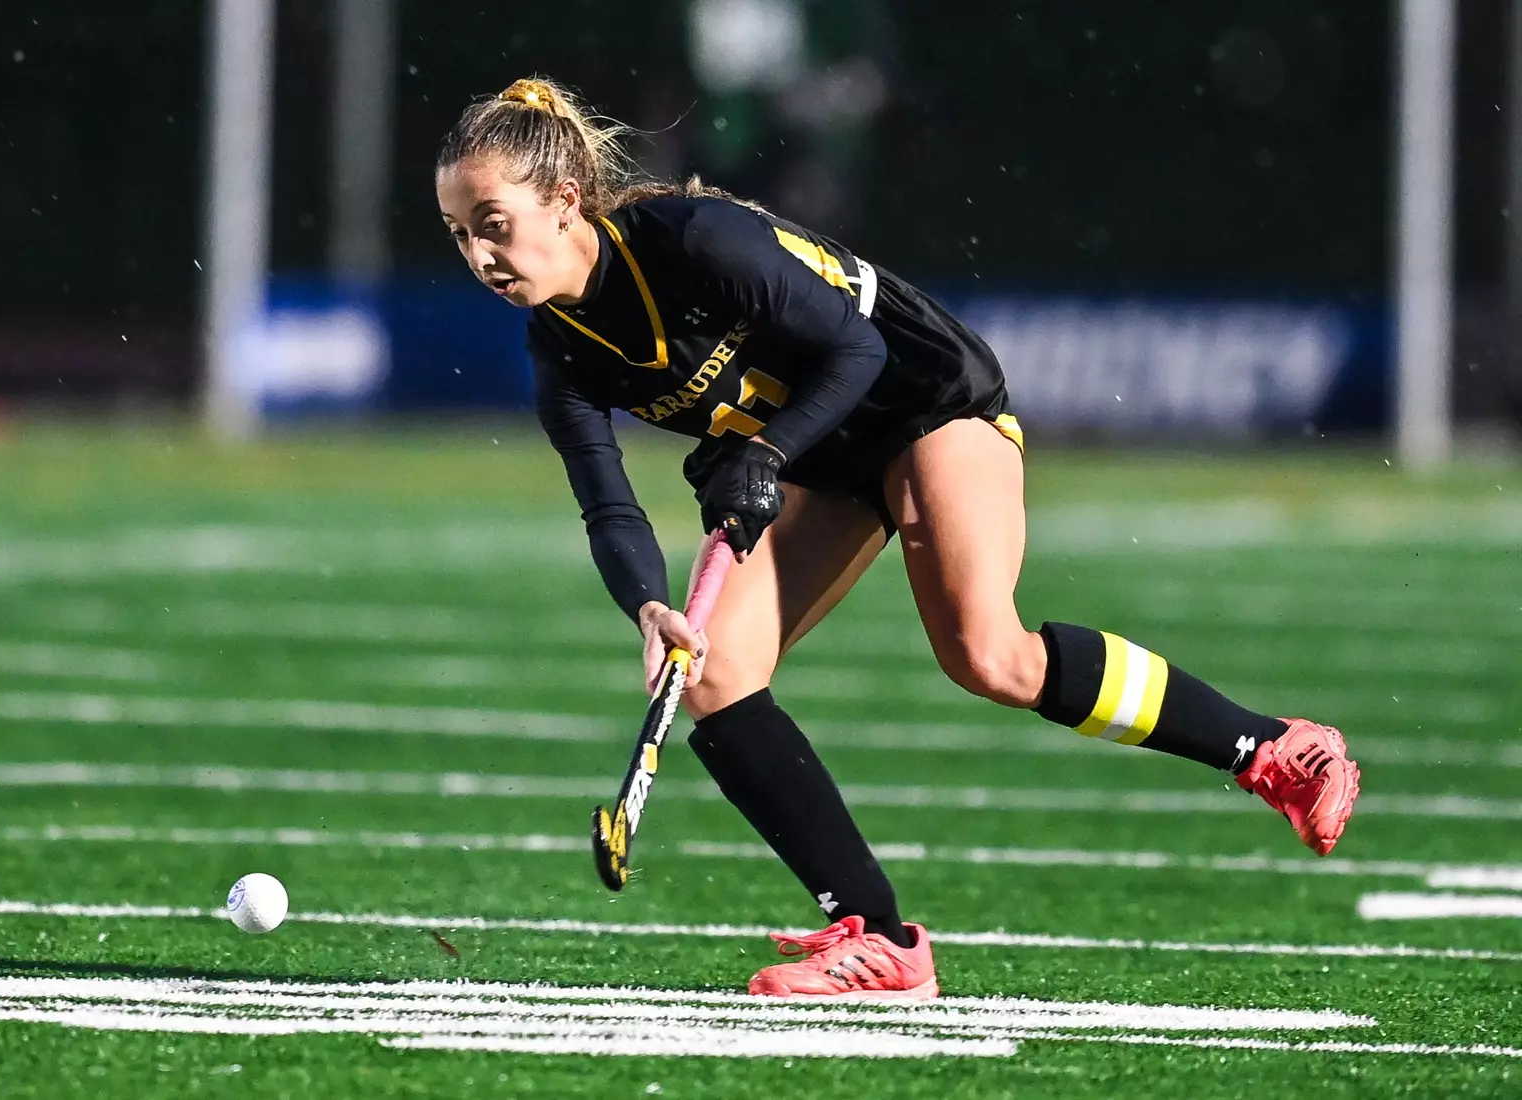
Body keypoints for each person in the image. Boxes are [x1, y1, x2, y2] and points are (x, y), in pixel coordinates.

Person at [435, 77, 1362, 1002]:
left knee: (988, 656)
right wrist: (649, 607)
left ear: (562, 202)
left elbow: (858, 352)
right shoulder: (561, 351)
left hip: (927, 402)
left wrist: (763, 454)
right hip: (822, 459)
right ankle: (880, 940)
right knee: (713, 673)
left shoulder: (694, 241)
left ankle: (1273, 750)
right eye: (459, 235)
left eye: (493, 222)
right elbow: (608, 508)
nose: (480, 255)